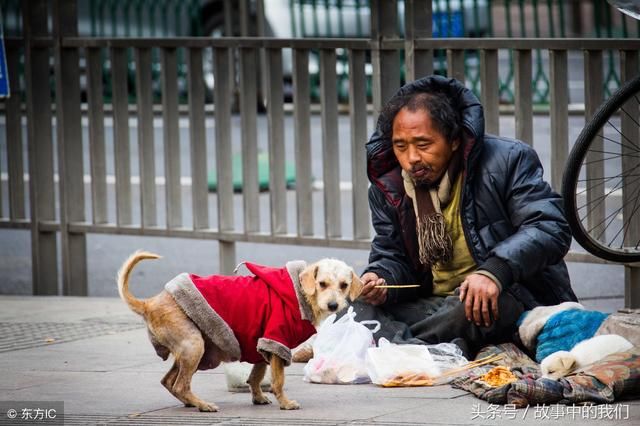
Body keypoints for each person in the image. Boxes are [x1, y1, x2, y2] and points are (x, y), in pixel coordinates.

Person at [355, 75, 578, 357]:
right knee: (355, 307)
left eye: (423, 144)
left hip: (506, 295)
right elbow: (391, 255)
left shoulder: (508, 160)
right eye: (401, 147)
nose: (411, 158)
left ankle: (393, 345)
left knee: (469, 311)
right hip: (434, 304)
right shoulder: (390, 187)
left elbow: (549, 227)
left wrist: (494, 271)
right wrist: (381, 280)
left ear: (454, 140)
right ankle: (424, 347)